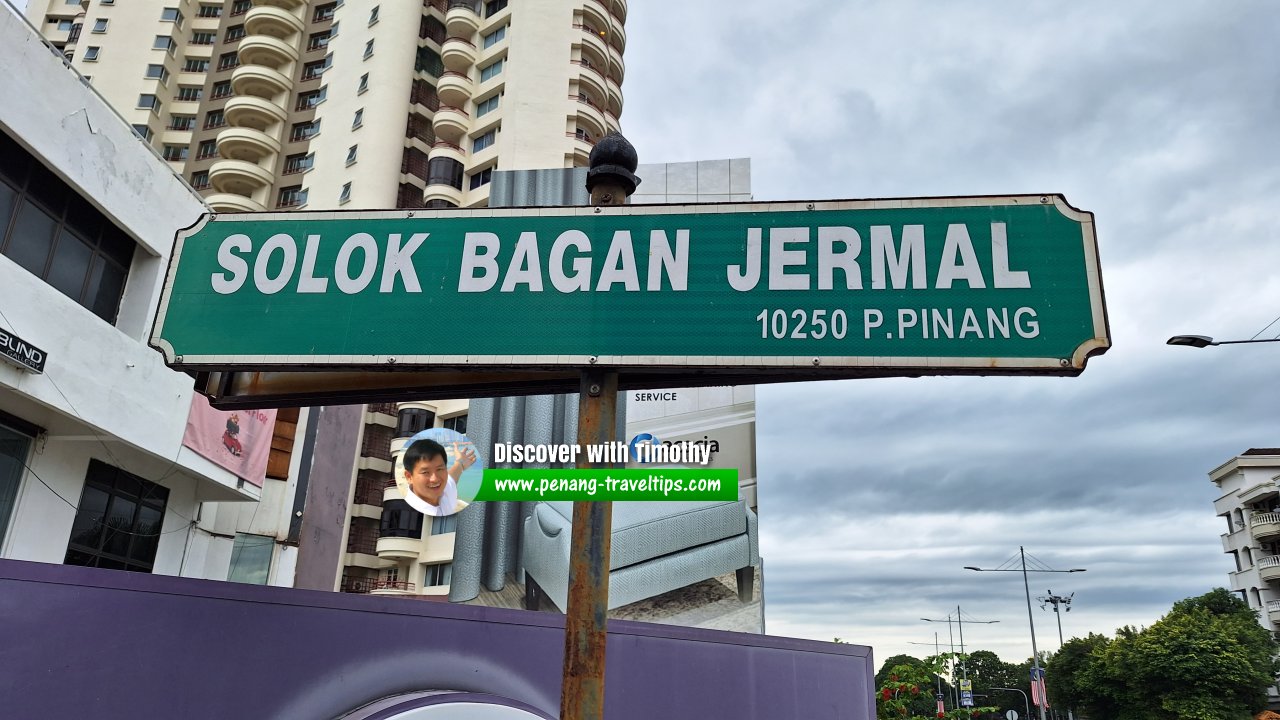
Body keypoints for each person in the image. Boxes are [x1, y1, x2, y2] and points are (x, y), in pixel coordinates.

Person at [401, 438, 476, 516]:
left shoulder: (444, 490)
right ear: (409, 477)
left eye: (439, 469)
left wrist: (460, 462)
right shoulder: (407, 512)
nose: (435, 479)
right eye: (425, 472)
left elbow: (452, 477)